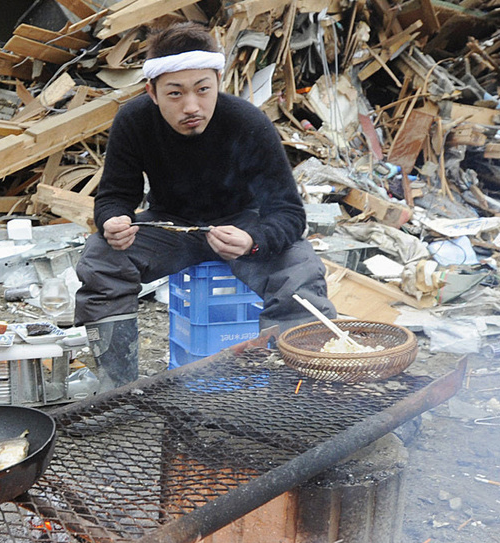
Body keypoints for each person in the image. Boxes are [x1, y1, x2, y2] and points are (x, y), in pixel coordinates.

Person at [74, 21, 335, 388]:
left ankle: (297, 387)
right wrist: (113, 220)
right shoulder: (134, 121)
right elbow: (116, 194)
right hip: (171, 226)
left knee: (302, 270)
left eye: (202, 90)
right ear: (152, 92)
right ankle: (116, 388)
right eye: (175, 94)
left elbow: (289, 213)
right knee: (101, 256)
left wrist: (252, 240)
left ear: (218, 83)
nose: (191, 106)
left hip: (242, 225)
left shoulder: (247, 122)